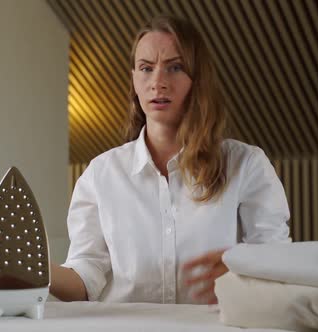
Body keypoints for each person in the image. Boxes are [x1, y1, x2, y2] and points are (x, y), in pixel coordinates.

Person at [50, 15, 290, 305]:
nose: (158, 82)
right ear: (134, 79)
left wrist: (244, 269)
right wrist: (32, 270)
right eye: (146, 68)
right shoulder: (100, 174)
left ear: (198, 79)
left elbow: (279, 264)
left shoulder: (247, 165)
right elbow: (85, 278)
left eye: (175, 67)